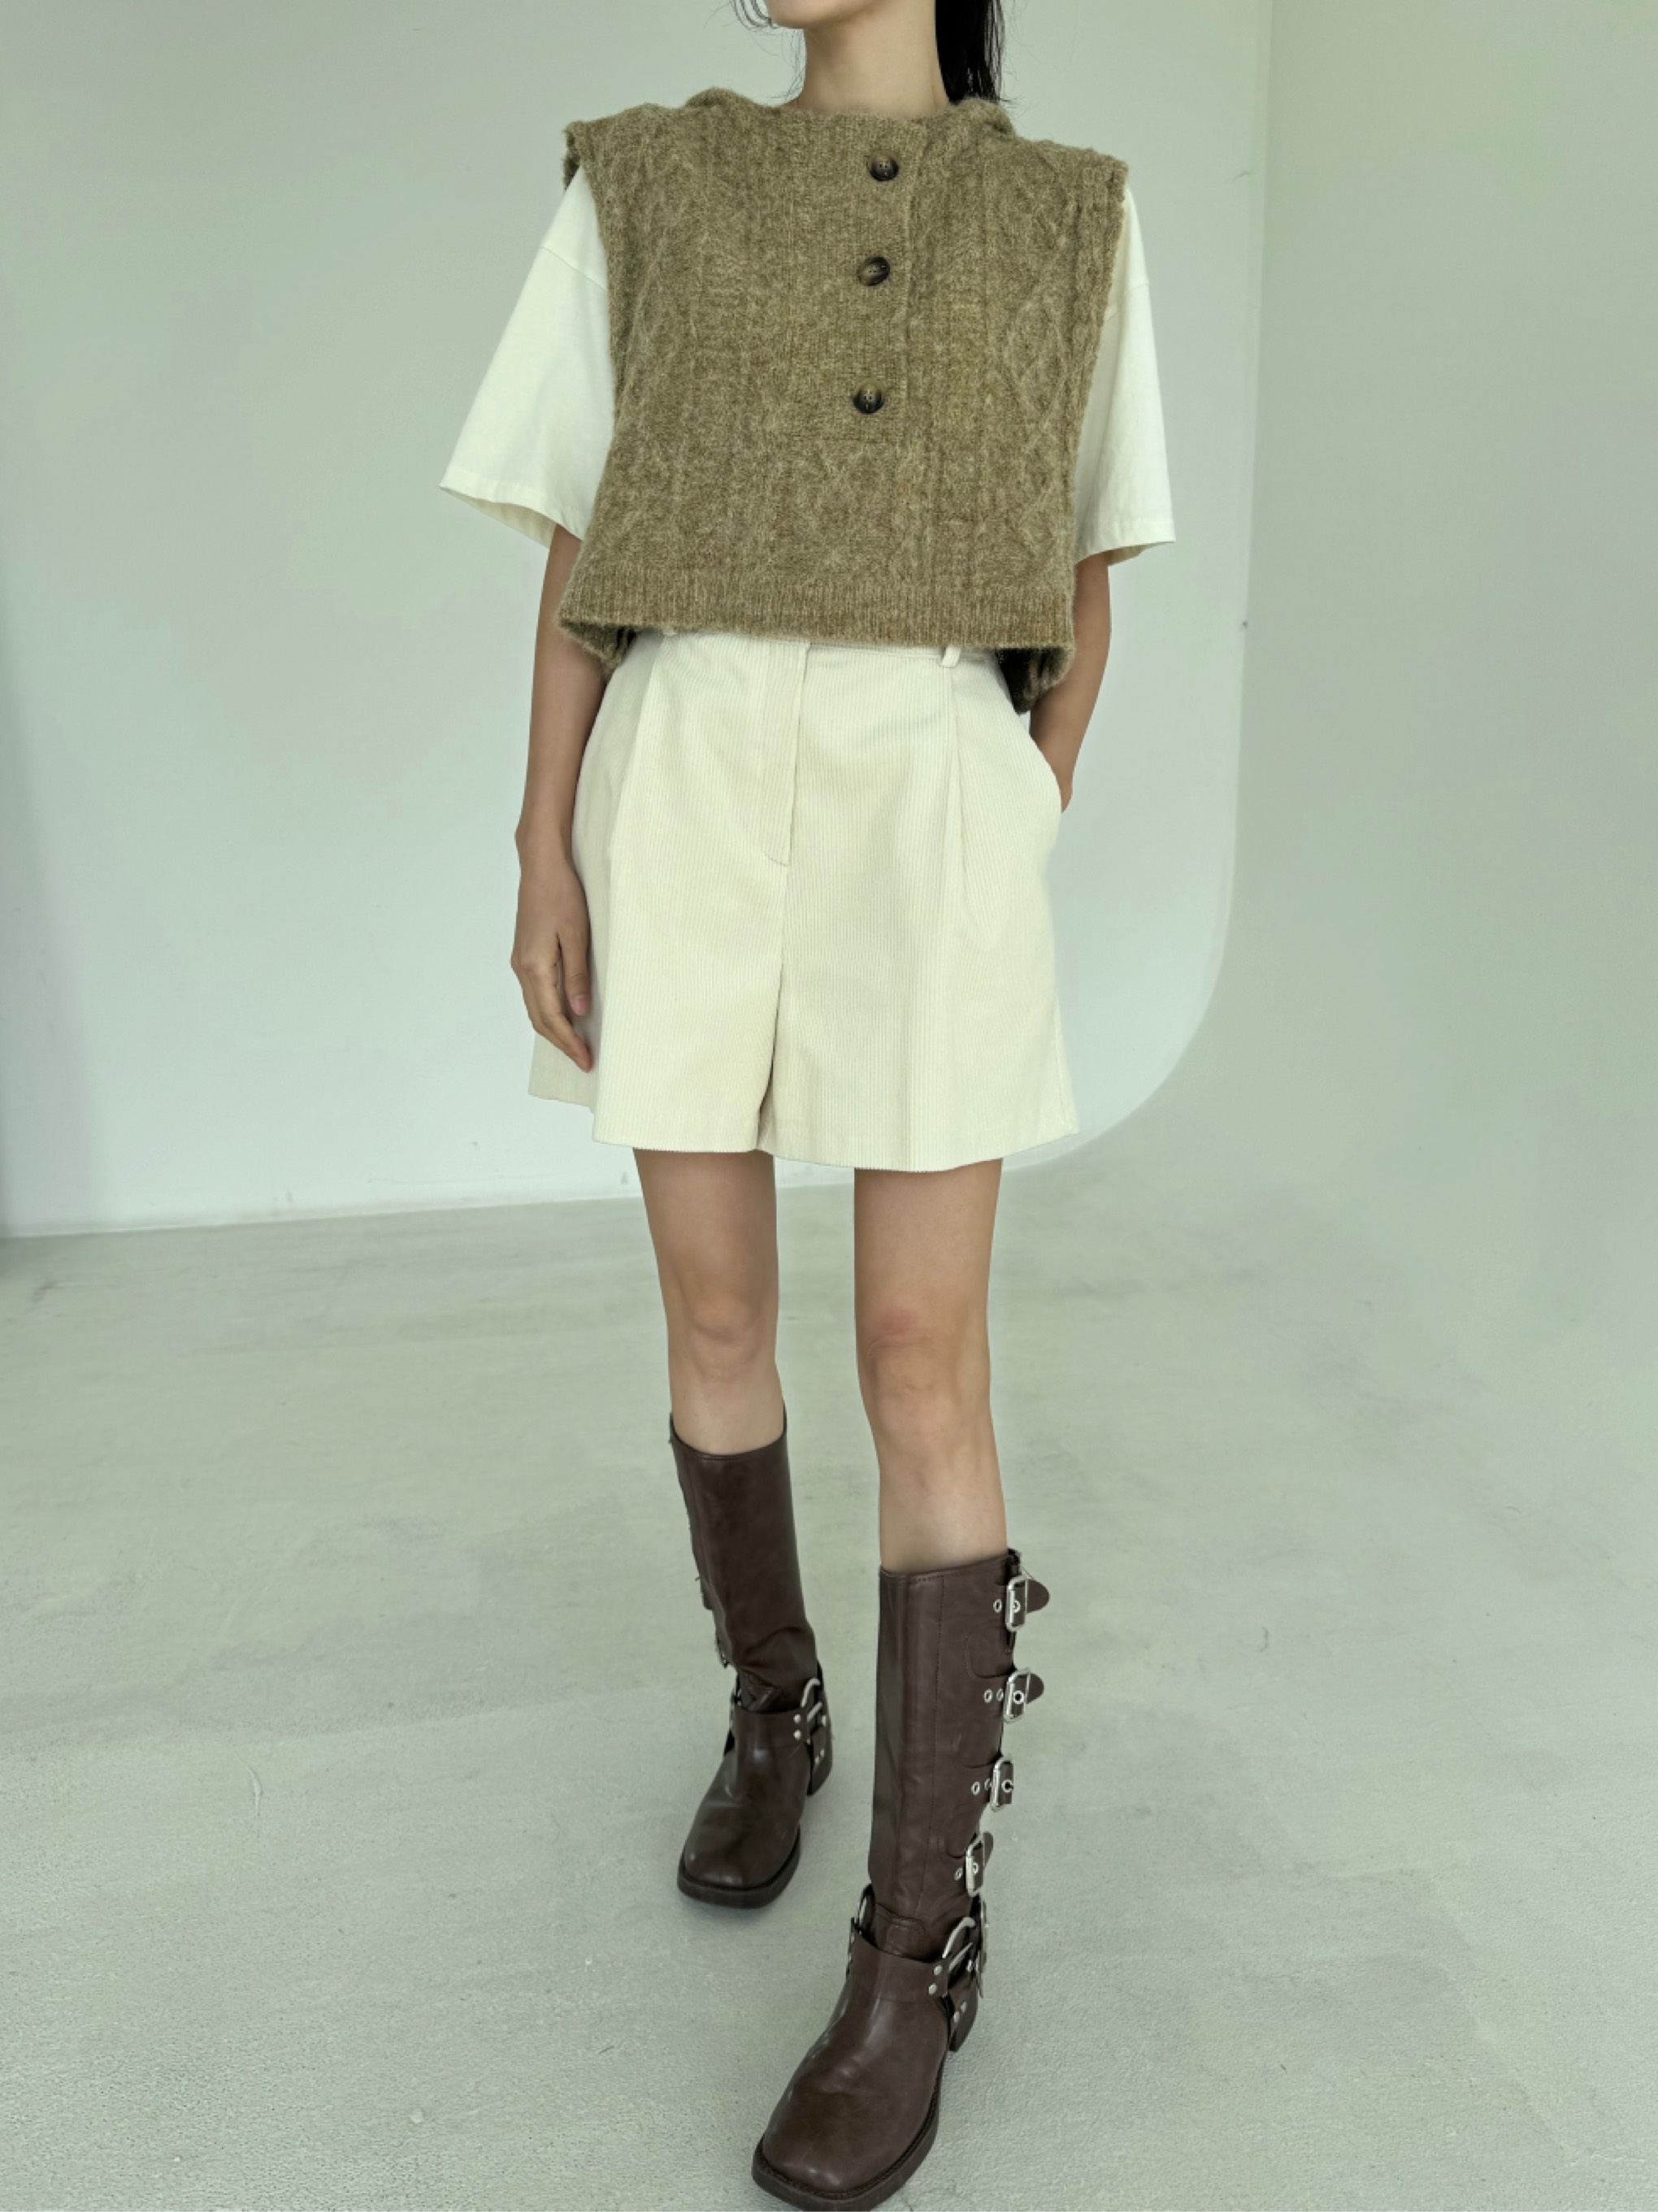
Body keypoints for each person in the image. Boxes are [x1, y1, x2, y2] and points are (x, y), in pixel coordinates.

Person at [441, 2, 1173, 2201]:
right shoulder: (646, 180)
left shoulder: (1069, 218)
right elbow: (585, 533)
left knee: (921, 1345)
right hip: (682, 765)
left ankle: (913, 1953)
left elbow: (1087, 566)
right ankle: (778, 1702)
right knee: (718, 1313)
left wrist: (1015, 811)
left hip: (926, 784)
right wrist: (542, 837)